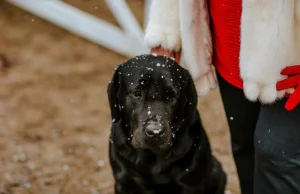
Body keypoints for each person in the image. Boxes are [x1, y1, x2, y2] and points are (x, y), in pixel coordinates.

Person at [144, 0, 300, 194]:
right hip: (229, 43)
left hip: (291, 61)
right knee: (245, 147)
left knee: (278, 157)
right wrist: (166, 28)